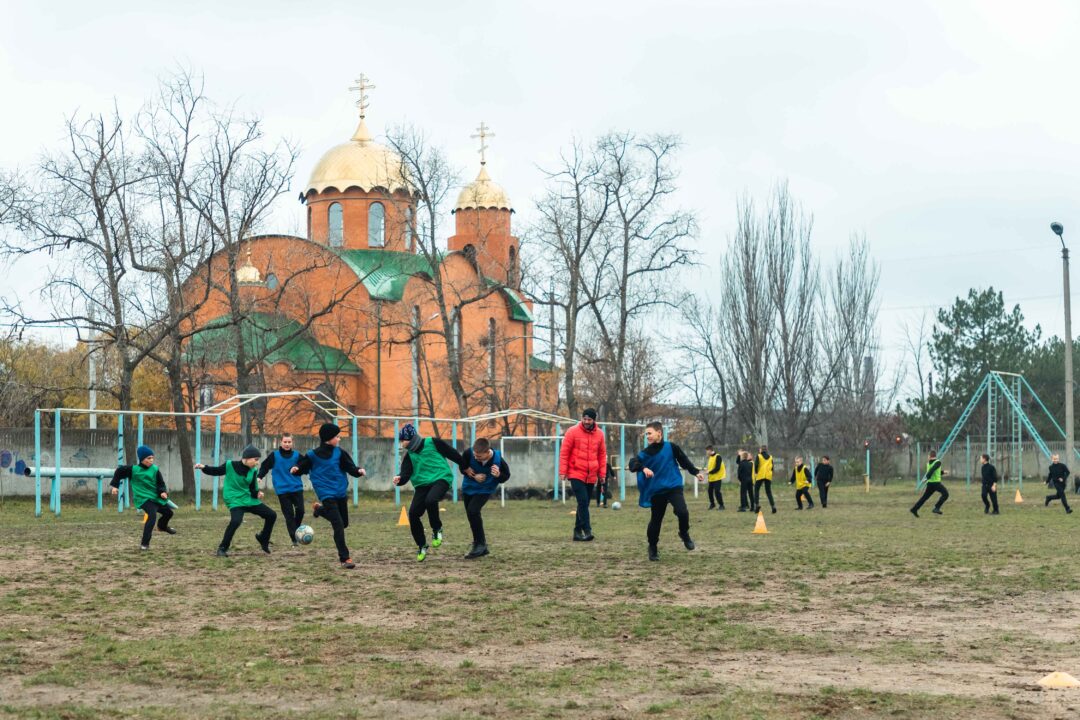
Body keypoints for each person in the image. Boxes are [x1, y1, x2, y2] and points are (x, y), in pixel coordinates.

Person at [291, 423, 367, 569]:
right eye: (337, 437)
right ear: (328, 438)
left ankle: (319, 510)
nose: (339, 439)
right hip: (325, 493)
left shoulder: (340, 453)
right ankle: (345, 558)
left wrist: (358, 471)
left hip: (339, 491)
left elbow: (350, 467)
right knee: (338, 525)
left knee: (344, 523)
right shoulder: (312, 455)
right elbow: (302, 467)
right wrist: (296, 469)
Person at [628, 421, 704, 561]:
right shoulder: (645, 453)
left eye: (649, 433)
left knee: (682, 511)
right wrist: (643, 468)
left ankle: (684, 533)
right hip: (657, 491)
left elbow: (684, 460)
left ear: (659, 433)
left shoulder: (671, 447)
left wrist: (696, 472)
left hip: (674, 486)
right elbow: (633, 463)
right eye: (646, 434)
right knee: (656, 520)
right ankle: (652, 547)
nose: (647, 437)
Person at [393, 423, 465, 562]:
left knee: (431, 500)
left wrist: (465, 466)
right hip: (422, 485)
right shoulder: (409, 455)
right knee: (413, 514)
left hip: (441, 478)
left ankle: (437, 529)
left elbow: (452, 453)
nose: (401, 443)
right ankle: (422, 545)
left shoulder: (432, 442)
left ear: (410, 438)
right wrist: (399, 479)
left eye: (403, 440)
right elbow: (405, 473)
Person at [196, 445, 277, 557]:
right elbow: (217, 471)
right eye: (256, 460)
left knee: (272, 515)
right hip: (234, 499)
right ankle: (222, 548)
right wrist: (203, 467)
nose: (257, 463)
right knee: (236, 521)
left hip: (247, 498)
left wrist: (257, 493)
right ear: (247, 458)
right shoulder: (230, 465)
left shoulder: (253, 470)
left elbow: (253, 488)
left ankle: (263, 538)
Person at [110, 444, 176, 551]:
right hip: (143, 498)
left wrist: (162, 492)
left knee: (169, 513)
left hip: (155, 497)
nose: (151, 460)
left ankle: (162, 527)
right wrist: (115, 486)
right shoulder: (133, 469)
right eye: (148, 458)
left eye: (152, 458)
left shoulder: (155, 469)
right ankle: (144, 544)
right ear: (142, 459)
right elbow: (119, 471)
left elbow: (160, 483)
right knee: (152, 515)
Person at [457, 437, 512, 559]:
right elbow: (462, 467)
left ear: (488, 452)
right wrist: (472, 475)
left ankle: (480, 544)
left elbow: (506, 476)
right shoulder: (468, 453)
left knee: (473, 511)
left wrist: (498, 475)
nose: (476, 458)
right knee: (471, 515)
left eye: (479, 456)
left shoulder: (498, 460)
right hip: (469, 487)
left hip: (485, 489)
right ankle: (480, 545)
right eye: (475, 455)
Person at [558, 408, 607, 541]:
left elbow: (602, 455)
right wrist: (563, 471)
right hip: (575, 472)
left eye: (589, 419)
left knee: (583, 504)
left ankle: (577, 532)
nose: (586, 421)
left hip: (591, 474)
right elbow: (564, 453)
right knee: (583, 501)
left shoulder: (600, 435)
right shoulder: (572, 432)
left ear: (594, 420)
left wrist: (602, 474)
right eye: (584, 419)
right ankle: (587, 530)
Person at [258, 433, 304, 545]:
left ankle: (296, 529)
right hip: (282, 490)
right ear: (281, 442)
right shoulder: (274, 456)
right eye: (285, 442)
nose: (287, 444)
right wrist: (259, 476)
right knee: (289, 514)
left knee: (301, 511)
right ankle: (294, 539)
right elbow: (264, 466)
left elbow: (306, 464)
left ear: (292, 443)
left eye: (289, 442)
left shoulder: (298, 456)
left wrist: (299, 467)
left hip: (296, 488)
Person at [910, 450, 949, 517]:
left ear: (930, 456)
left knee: (924, 498)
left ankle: (914, 509)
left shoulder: (929, 463)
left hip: (930, 484)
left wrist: (943, 472)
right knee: (945, 494)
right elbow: (932, 470)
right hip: (936, 484)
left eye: (928, 456)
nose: (927, 457)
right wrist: (927, 477)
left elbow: (935, 472)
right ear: (934, 456)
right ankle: (936, 507)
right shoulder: (938, 462)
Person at [753, 445, 777, 514]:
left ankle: (757, 505)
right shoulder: (771, 457)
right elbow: (772, 467)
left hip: (760, 475)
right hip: (768, 475)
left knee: (756, 490)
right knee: (768, 492)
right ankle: (773, 506)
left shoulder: (759, 456)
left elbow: (756, 465)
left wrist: (756, 472)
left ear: (761, 450)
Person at [705, 446, 725, 510]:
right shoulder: (710, 457)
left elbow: (717, 468)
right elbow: (711, 467)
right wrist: (707, 470)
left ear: (710, 450)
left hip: (718, 477)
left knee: (717, 491)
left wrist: (709, 472)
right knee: (709, 491)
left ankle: (721, 505)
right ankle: (712, 504)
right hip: (711, 478)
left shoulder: (718, 456)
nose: (706, 452)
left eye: (707, 450)